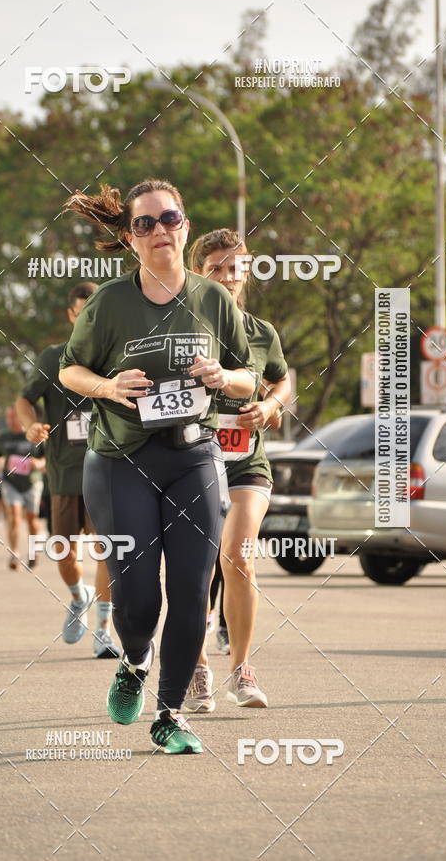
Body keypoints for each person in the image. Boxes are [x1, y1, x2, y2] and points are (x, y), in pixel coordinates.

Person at [59, 180, 255, 754]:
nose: (159, 230)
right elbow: (71, 371)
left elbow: (250, 377)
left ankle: (170, 714)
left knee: (193, 591)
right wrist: (108, 385)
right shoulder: (110, 304)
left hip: (194, 455)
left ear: (184, 226)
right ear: (130, 237)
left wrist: (224, 378)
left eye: (169, 218)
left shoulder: (213, 300)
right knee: (139, 598)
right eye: (144, 223)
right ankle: (135, 660)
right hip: (121, 460)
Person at [184, 228, 291, 713]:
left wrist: (270, 407)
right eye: (216, 269)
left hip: (247, 463)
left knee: (239, 556)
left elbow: (282, 380)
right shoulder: (181, 327)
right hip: (189, 464)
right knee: (195, 571)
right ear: (197, 273)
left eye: (235, 268)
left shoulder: (260, 332)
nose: (228, 277)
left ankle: (242, 670)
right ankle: (197, 668)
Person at [16, 282, 120, 659]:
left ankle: (104, 629)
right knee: (62, 551)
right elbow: (25, 400)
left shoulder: (116, 354)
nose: (86, 317)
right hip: (63, 473)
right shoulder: (53, 357)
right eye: (81, 311)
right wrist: (31, 425)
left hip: (107, 471)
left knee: (108, 551)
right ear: (71, 316)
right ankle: (79, 597)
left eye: (93, 310)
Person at [0, 406, 44, 570]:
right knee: (14, 516)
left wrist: (39, 463)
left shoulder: (33, 435)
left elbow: (46, 458)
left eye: (14, 416)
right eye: (8, 417)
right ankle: (15, 553)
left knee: (31, 519)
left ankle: (33, 552)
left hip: (32, 482)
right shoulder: (4, 437)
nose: (11, 420)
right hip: (10, 482)